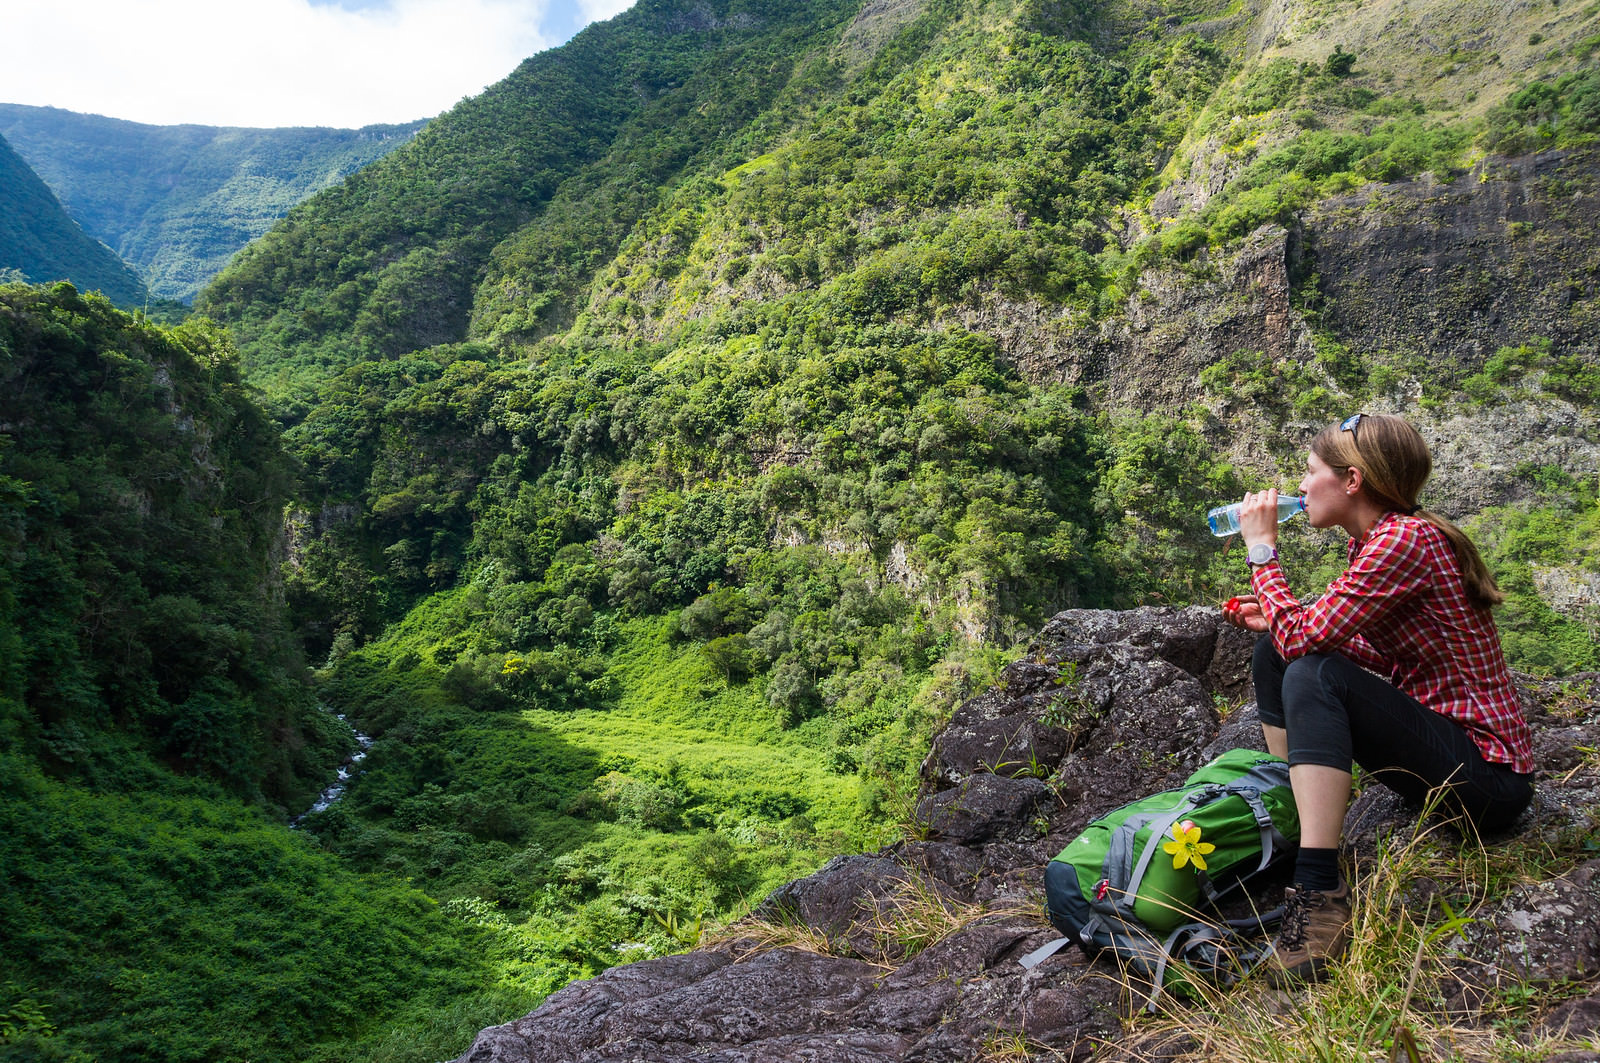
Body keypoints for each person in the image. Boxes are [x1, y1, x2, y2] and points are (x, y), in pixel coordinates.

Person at [1220, 412, 1535, 985]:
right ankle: (1290, 817)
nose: (1299, 487)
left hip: (1487, 781)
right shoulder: (1381, 539)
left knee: (1310, 668)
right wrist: (1277, 622)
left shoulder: (1403, 540)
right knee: (1279, 651)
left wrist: (1262, 550)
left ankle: (1318, 893)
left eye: (1310, 472)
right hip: (1442, 756)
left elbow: (1310, 642)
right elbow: (1383, 656)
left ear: (1353, 481)